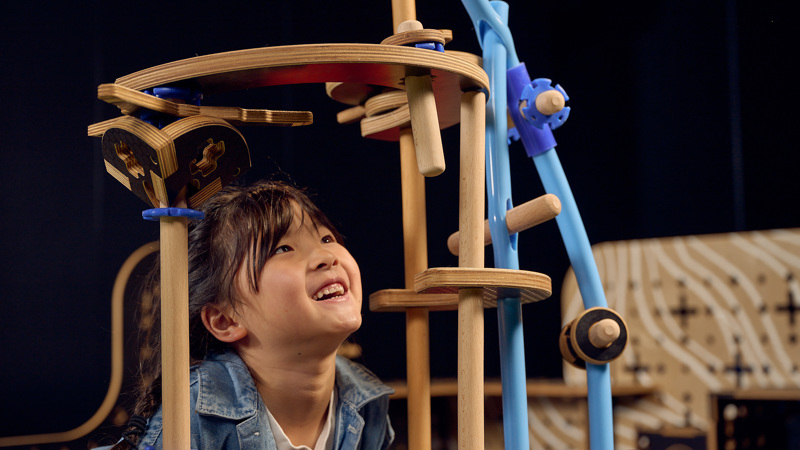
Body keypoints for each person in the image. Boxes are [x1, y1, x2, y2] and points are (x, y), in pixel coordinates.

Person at [101, 180, 393, 450]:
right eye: (283, 248)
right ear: (226, 320)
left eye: (327, 238)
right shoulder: (190, 417)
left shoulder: (368, 403)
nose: (327, 256)